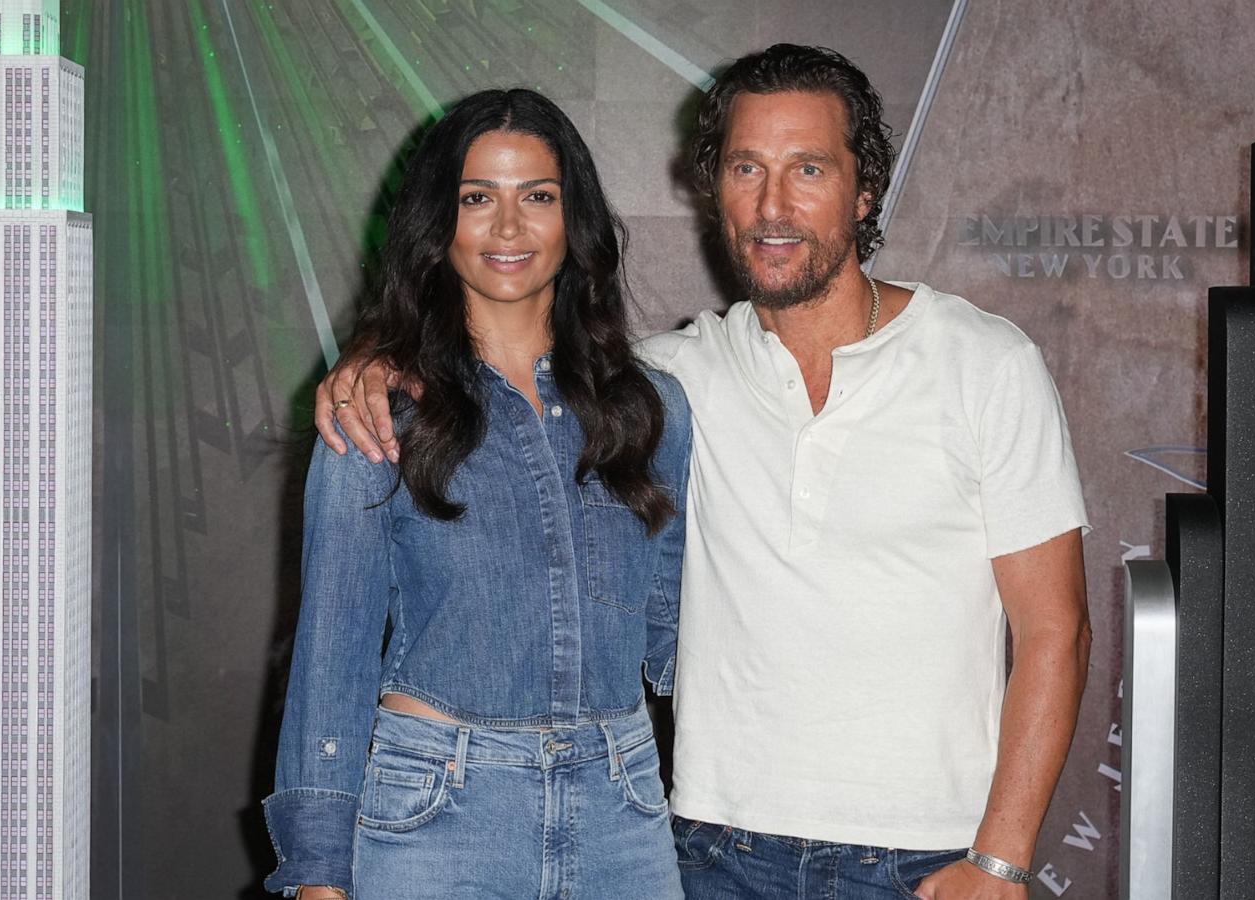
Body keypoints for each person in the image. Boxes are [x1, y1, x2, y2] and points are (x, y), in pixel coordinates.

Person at [317, 45, 1090, 900]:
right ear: (713, 188)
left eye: (808, 169)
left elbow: (1055, 630)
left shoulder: (985, 362)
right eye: (746, 168)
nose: (772, 204)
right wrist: (377, 363)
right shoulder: (670, 386)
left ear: (864, 190)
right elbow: (520, 357)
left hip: (921, 861)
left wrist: (1000, 860)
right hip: (710, 853)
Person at [263, 88, 692, 900]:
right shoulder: (377, 419)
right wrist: (318, 873)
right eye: (475, 199)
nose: (507, 227)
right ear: (438, 224)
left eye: (538, 196)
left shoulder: (653, 411)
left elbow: (679, 644)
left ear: (575, 219)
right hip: (438, 817)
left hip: (622, 818)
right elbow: (332, 658)